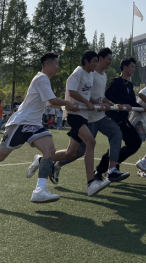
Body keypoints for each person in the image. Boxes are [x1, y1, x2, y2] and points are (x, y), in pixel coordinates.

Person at [0, 52, 80, 204]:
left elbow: (50, 103)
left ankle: (39, 190)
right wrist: (68, 103)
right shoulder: (42, 78)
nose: (58, 67)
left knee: (49, 150)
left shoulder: (45, 81)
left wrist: (67, 106)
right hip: (20, 123)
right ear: (47, 64)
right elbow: (52, 100)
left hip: (34, 125)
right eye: (56, 64)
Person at [41, 49, 129, 187]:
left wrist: (109, 104)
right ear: (97, 59)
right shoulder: (85, 73)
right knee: (83, 147)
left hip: (93, 116)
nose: (110, 62)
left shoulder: (99, 75)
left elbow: (97, 96)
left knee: (76, 150)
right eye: (108, 59)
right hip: (83, 117)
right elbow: (76, 93)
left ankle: (111, 170)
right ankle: (86, 179)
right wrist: (89, 103)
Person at [49, 50, 112, 196]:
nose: (96, 64)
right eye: (94, 61)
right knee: (91, 141)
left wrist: (98, 103)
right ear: (86, 61)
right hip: (74, 115)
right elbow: (72, 92)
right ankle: (91, 183)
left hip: (84, 115)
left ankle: (42, 160)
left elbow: (88, 97)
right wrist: (86, 102)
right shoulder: (78, 73)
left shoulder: (90, 75)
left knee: (71, 152)